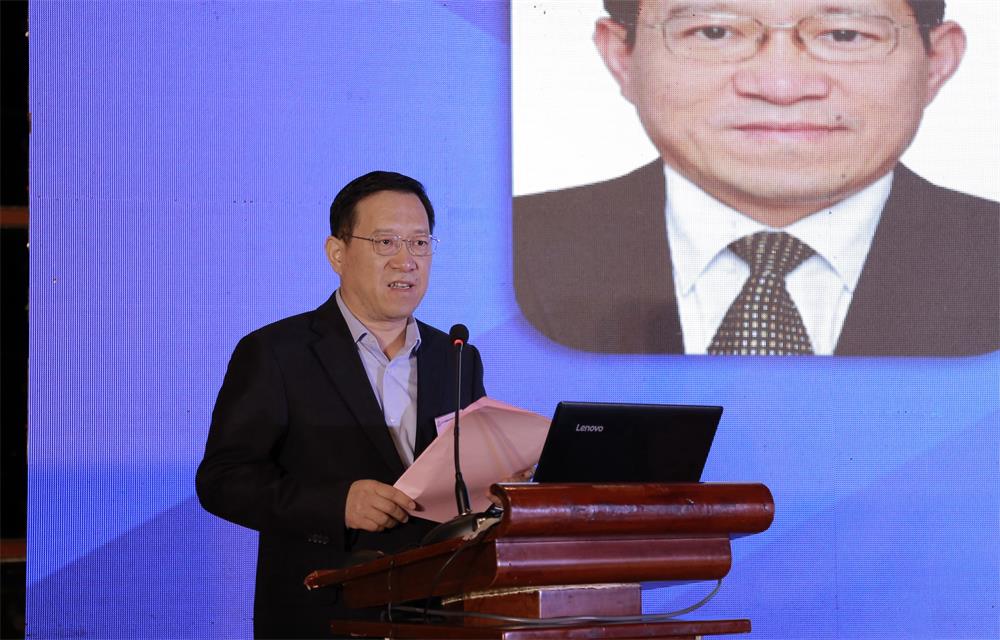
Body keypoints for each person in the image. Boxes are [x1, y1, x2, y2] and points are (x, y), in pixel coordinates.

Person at [514, 0, 998, 356]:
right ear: (621, 56)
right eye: (714, 33)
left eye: (844, 35)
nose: (781, 86)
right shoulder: (504, 249)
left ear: (938, 60)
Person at [196, 171, 486, 638]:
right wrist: (337, 505)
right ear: (337, 253)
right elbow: (221, 480)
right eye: (386, 242)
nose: (406, 261)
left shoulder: (456, 355)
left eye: (419, 243)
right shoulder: (276, 352)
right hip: (326, 611)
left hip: (440, 612)